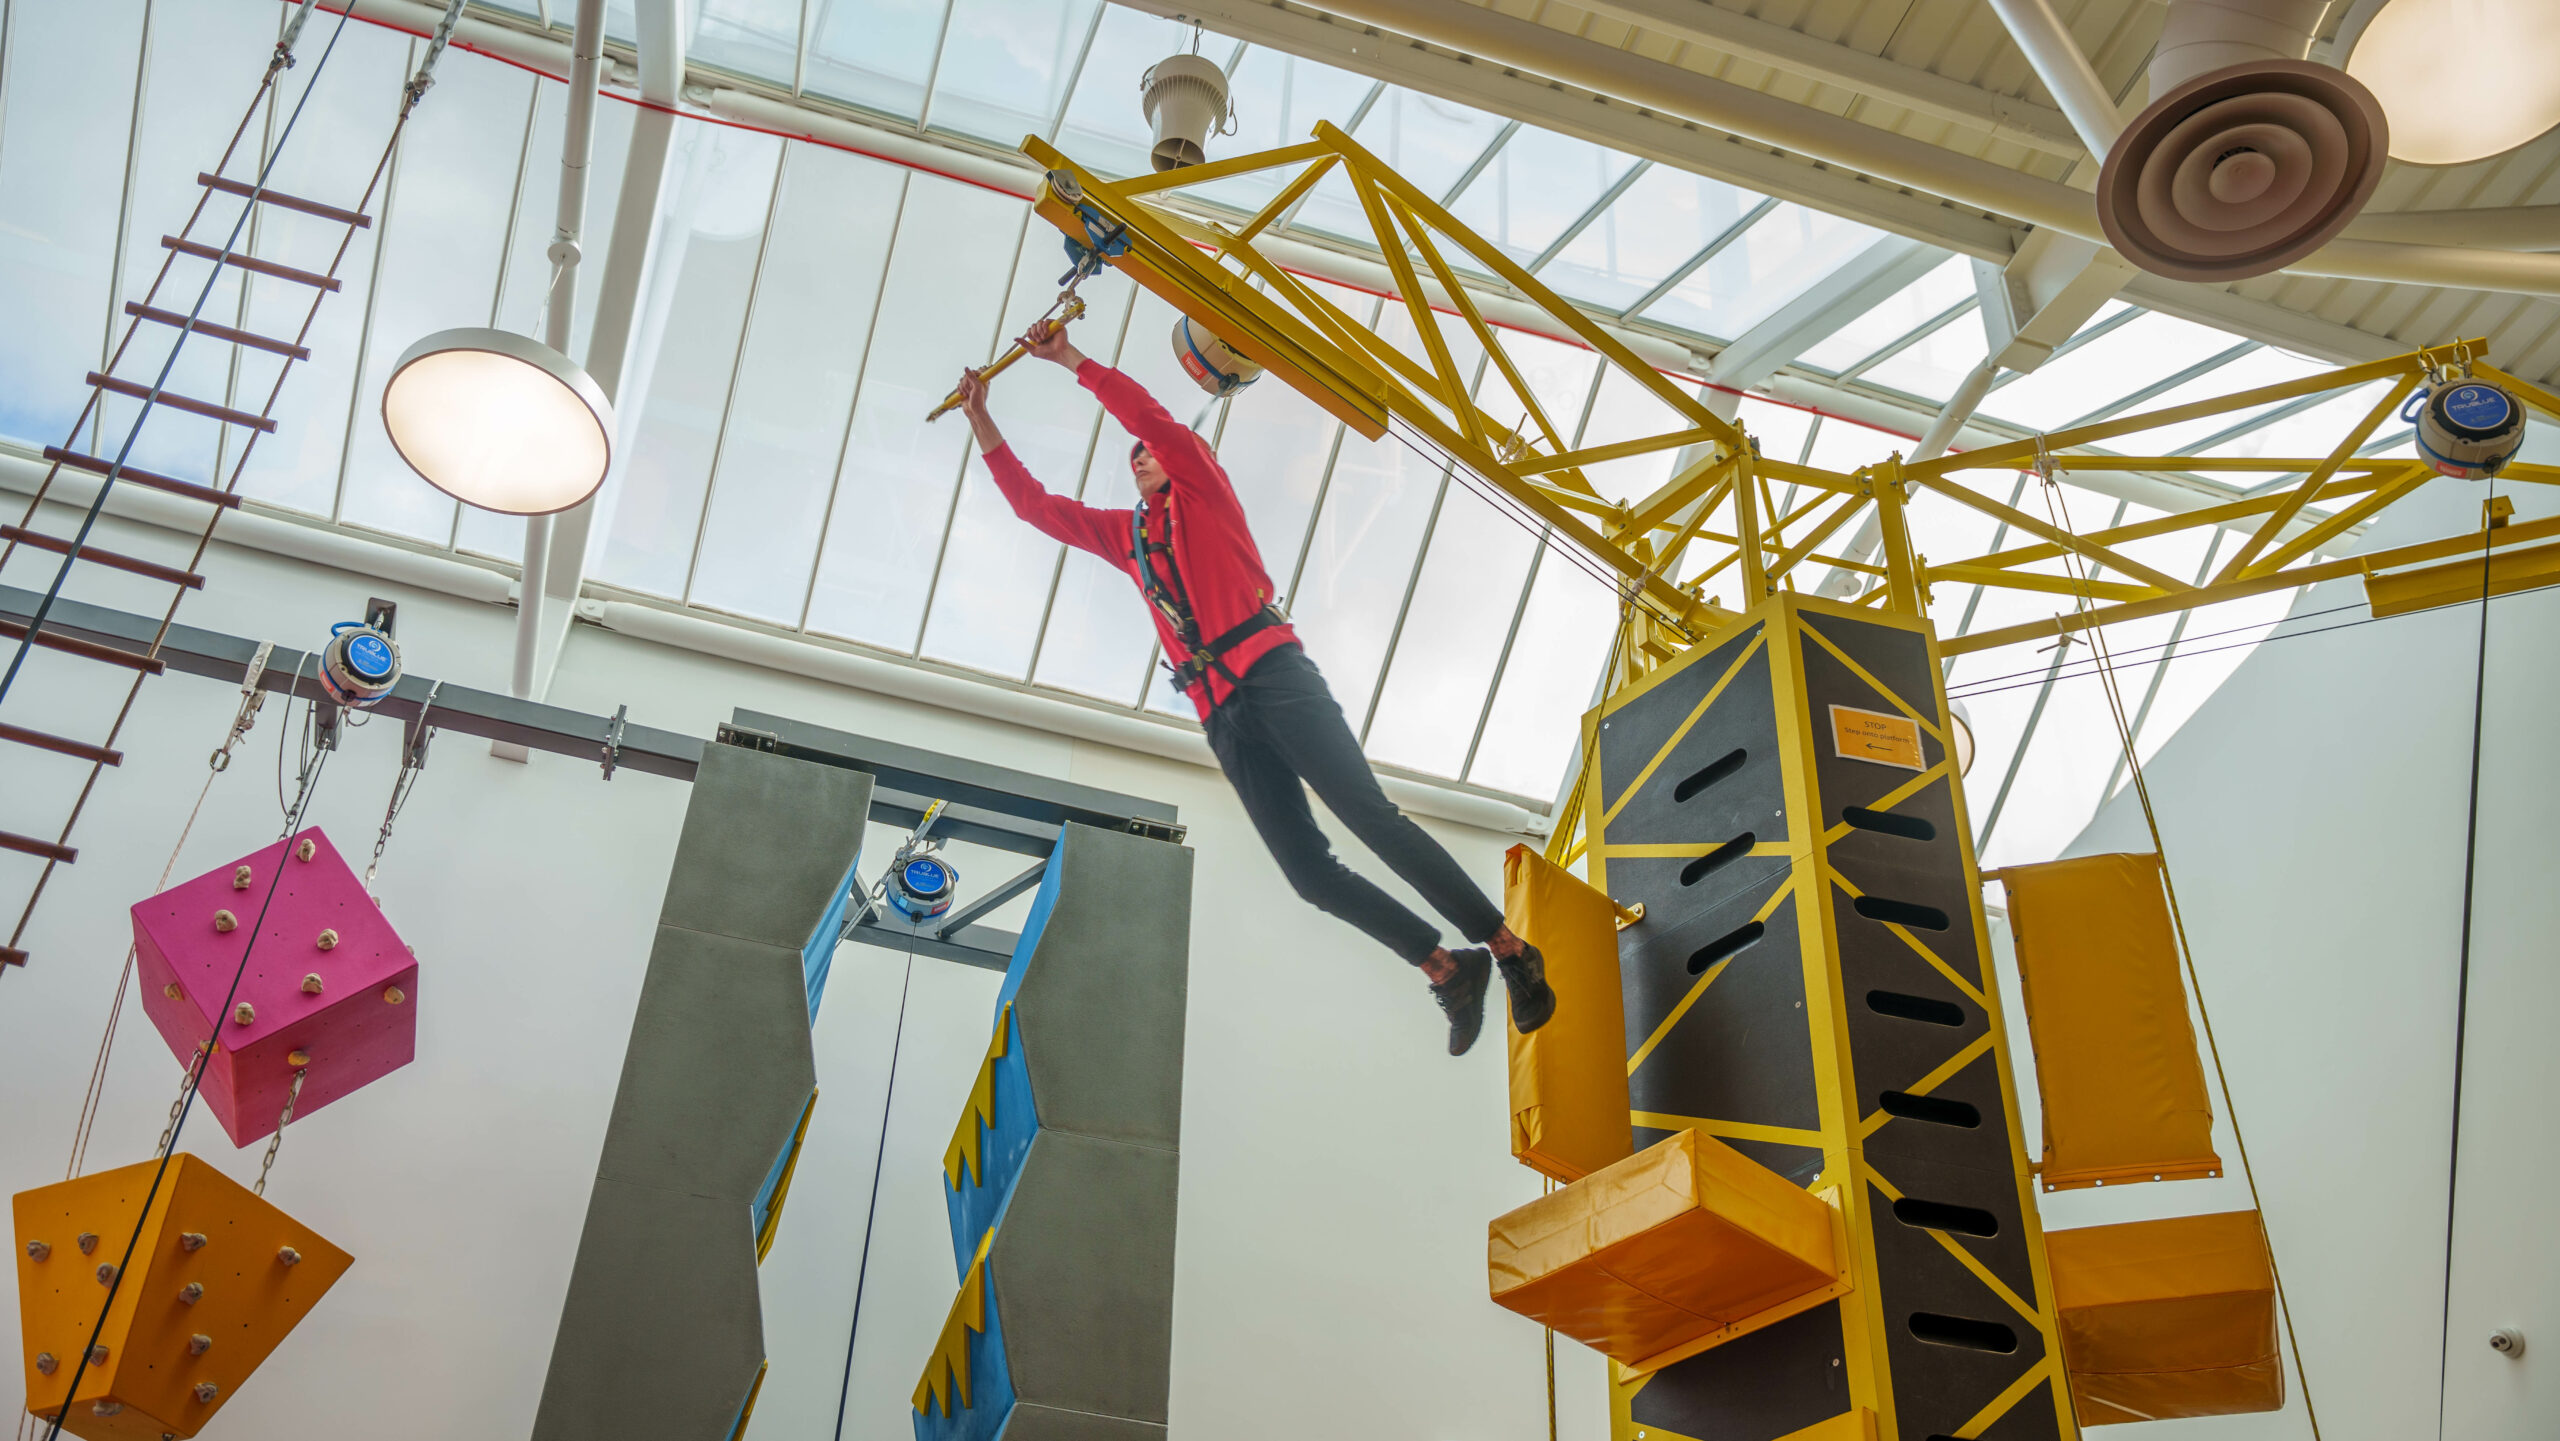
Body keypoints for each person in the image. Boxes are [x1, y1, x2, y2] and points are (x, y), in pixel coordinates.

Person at [953, 319, 1555, 1056]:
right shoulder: (1130, 537)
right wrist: (982, 415)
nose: (1141, 454)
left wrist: (1069, 359)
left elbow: (1150, 417)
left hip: (1274, 674)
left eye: (1151, 450)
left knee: (1370, 817)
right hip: (1224, 717)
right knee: (1307, 872)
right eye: (1133, 456)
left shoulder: (1202, 489)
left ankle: (1509, 949)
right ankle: (1446, 967)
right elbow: (1035, 507)